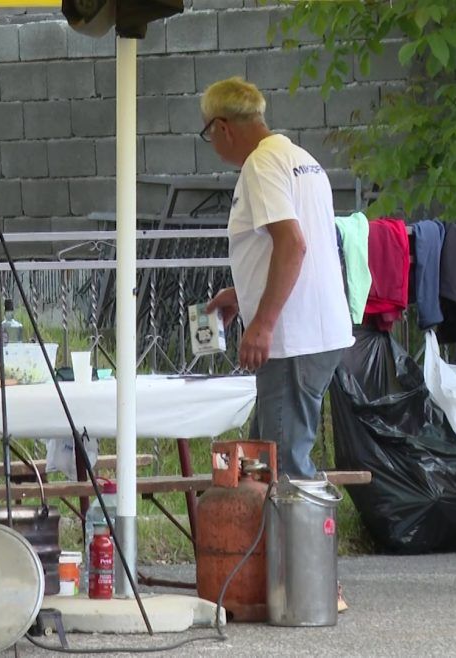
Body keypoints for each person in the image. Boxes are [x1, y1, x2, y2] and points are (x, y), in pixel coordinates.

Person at [201, 77, 354, 480]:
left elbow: (293, 244)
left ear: (222, 127)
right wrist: (244, 294)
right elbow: (299, 251)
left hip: (293, 339)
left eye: (208, 133)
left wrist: (263, 324)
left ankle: (300, 525)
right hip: (316, 331)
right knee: (263, 462)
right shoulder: (300, 159)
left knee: (282, 469)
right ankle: (281, 524)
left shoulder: (261, 165)